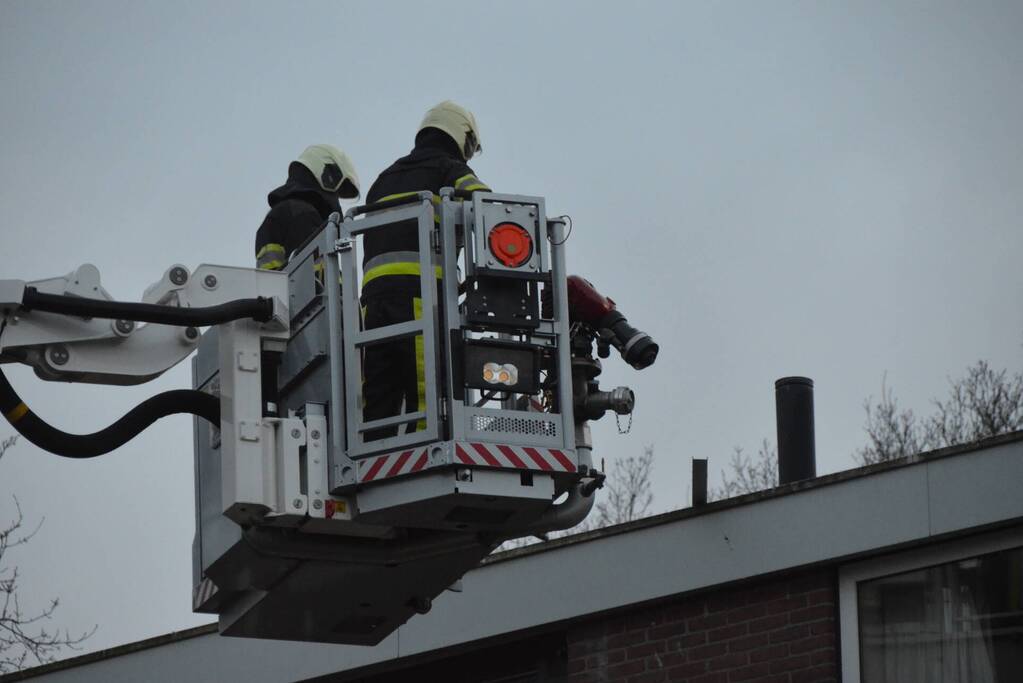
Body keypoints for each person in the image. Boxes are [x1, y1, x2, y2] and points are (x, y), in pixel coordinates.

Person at [361, 101, 489, 440]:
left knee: (380, 393)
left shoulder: (384, 178)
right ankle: (429, 451)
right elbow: (486, 208)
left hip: (373, 302)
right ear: (461, 135)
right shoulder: (449, 169)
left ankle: (377, 453)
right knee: (427, 389)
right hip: (419, 296)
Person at [255, 144, 360, 271]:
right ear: (323, 174)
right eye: (337, 189)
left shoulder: (282, 212)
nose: (336, 197)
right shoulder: (302, 214)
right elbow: (314, 275)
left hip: (276, 284)